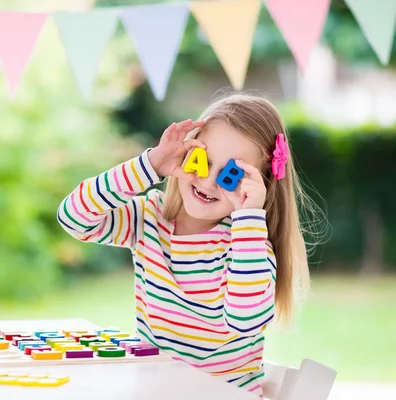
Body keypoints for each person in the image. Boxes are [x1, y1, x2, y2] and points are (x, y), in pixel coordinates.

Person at [57, 92, 317, 397]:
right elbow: (73, 217)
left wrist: (249, 217)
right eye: (201, 161)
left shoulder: (248, 247)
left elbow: (245, 320)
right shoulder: (149, 219)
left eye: (230, 176)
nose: (207, 182)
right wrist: (150, 165)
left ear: (256, 186)